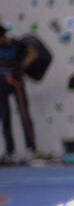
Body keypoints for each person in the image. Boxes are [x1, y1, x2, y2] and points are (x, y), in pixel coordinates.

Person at [0, 23, 40, 163]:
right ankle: (10, 151)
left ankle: (31, 149)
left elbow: (33, 53)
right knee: (5, 117)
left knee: (24, 115)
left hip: (16, 82)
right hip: (2, 84)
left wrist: (21, 67)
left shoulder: (17, 44)